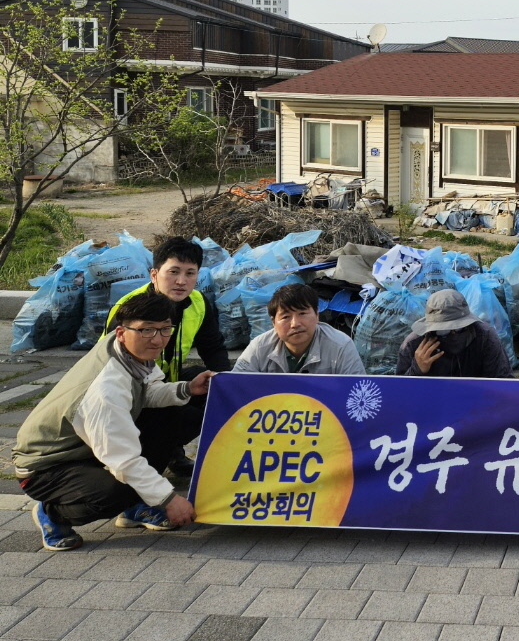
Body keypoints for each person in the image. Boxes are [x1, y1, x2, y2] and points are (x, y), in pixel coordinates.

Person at [14, 292, 213, 551]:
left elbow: (148, 393)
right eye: (146, 330)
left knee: (172, 411)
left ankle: (135, 507)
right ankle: (52, 512)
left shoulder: (128, 351)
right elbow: (123, 460)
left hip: (87, 445)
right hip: (47, 465)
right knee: (115, 493)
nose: (157, 339)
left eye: (165, 329)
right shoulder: (106, 388)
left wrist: (187, 389)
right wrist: (168, 500)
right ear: (121, 332)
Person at [106, 236, 231, 477]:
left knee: (210, 383)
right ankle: (145, 464)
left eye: (190, 273)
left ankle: (171, 450)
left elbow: (213, 348)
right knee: (178, 417)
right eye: (173, 271)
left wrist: (226, 384)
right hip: (130, 395)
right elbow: (108, 367)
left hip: (166, 383)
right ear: (154, 274)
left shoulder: (198, 302)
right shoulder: (131, 310)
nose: (181, 281)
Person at [233, 283, 367, 375]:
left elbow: (357, 391)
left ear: (317, 315)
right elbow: (235, 385)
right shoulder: (260, 347)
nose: (295, 324)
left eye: (302, 313)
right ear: (274, 322)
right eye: (285, 317)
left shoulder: (341, 346)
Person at [395, 288, 512, 378]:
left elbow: (502, 381)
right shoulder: (413, 343)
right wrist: (417, 369)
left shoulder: (484, 336)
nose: (453, 335)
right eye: (443, 331)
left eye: (459, 329)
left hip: (476, 399)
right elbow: (400, 392)